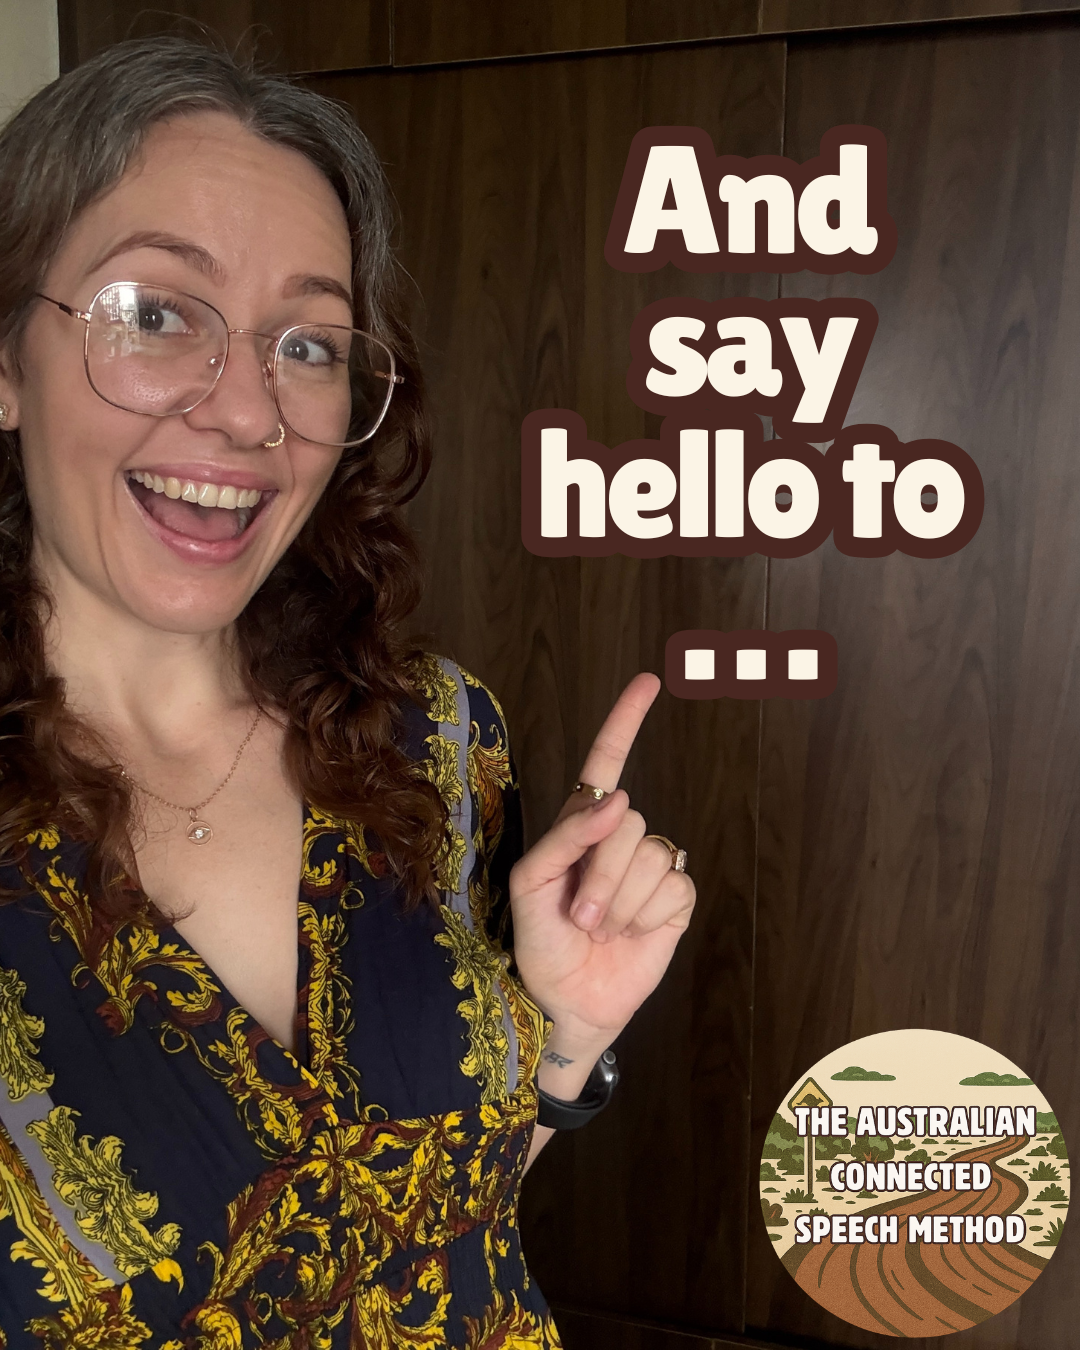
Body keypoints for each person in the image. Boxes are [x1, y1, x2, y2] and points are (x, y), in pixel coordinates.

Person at [0, 36, 696, 1349]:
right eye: (156, 315)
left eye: (309, 342)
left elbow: (435, 1231)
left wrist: (565, 1035)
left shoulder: (436, 735)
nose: (251, 411)